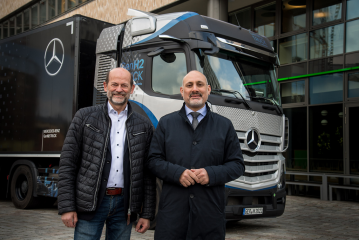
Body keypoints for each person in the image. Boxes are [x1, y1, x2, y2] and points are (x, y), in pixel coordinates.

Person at [58, 67, 156, 240]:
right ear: (105, 86)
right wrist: (67, 207)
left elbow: (147, 174)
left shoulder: (144, 125)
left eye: (124, 85)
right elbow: (68, 164)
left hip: (124, 206)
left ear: (132, 89)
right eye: (115, 84)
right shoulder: (84, 117)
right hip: (91, 203)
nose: (119, 89)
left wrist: (146, 214)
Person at [147, 70, 245, 240]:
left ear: (208, 89)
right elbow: (153, 161)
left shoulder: (224, 125)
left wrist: (211, 174)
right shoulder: (166, 123)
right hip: (172, 218)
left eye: (199, 84)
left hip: (209, 218)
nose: (195, 89)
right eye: (189, 85)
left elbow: (237, 165)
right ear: (182, 91)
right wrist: (177, 173)